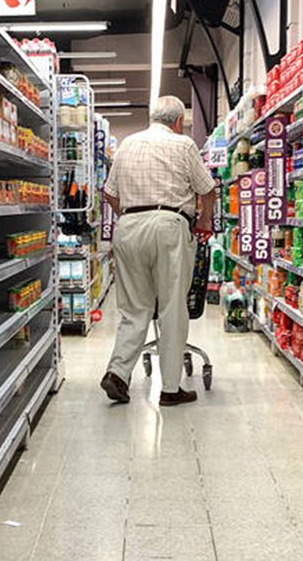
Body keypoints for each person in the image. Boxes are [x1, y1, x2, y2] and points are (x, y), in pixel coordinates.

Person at [99, 95, 217, 406]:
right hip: (169, 225)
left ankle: (118, 374)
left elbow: (109, 194)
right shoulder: (183, 145)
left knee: (133, 308)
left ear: (153, 117)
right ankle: (170, 389)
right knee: (171, 308)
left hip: (128, 227)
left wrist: (129, 214)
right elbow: (207, 190)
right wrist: (203, 221)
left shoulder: (126, 144)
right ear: (178, 122)